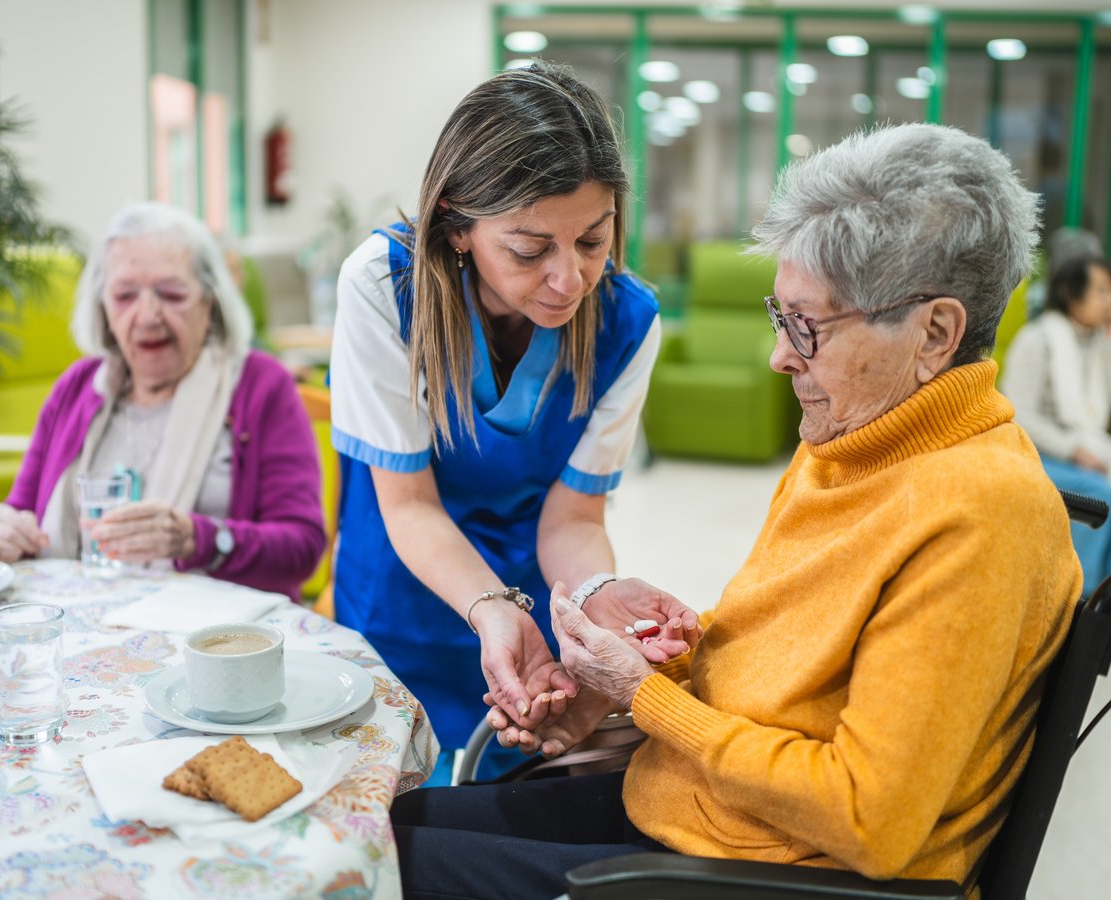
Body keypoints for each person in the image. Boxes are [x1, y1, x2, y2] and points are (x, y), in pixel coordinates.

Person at [389, 122, 1083, 899]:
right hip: (695, 811)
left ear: (936, 333)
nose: (779, 355)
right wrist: (664, 661)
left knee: (384, 868)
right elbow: (793, 676)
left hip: (766, 874)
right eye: (778, 315)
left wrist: (646, 699)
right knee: (393, 823)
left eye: (807, 327)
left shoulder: (981, 517)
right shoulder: (854, 442)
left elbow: (869, 819)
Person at [328, 62, 701, 782]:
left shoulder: (628, 322)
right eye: (530, 250)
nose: (570, 279)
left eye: (592, 241)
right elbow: (407, 504)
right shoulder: (381, 288)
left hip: (536, 622)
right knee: (390, 805)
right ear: (458, 226)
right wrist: (490, 607)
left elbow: (574, 519)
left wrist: (592, 600)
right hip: (401, 604)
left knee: (487, 811)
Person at [0, 202, 326, 601]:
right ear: (102, 306)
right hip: (79, 625)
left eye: (172, 294)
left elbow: (303, 546)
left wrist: (197, 539)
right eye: (125, 296)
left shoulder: (261, 385)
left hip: (218, 639)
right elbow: (19, 515)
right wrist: (0, 535)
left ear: (208, 302)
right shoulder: (76, 387)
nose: (147, 315)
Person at [1002, 254, 1111, 595]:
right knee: (1103, 494)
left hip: (1085, 454)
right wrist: (1074, 450)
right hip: (1042, 456)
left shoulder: (1098, 343)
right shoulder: (1037, 340)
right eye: (1100, 291)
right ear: (1069, 293)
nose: (1107, 300)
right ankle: (1084, 595)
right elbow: (1019, 415)